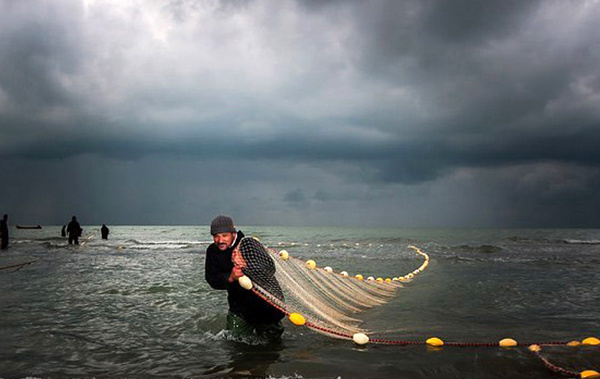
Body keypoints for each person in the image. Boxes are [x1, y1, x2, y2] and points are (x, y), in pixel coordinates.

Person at [204, 215, 284, 341]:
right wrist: (230, 277)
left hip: (265, 304)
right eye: (215, 236)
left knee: (273, 343)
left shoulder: (249, 244)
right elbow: (211, 278)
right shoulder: (212, 251)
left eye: (224, 235)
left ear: (233, 233)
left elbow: (270, 268)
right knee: (235, 341)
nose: (220, 240)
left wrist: (247, 267)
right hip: (238, 307)